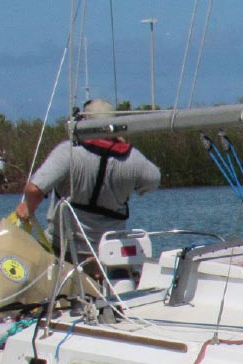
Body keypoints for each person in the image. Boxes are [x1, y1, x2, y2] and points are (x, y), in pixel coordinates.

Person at [10, 99, 164, 261]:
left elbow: (34, 189)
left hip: (63, 249)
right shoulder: (133, 159)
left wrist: (29, 208)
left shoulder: (68, 152)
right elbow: (154, 180)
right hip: (108, 252)